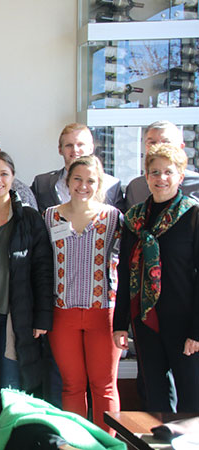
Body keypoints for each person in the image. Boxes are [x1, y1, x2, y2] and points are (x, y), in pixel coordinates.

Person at [0, 151, 54, 440]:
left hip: (15, 315)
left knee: (10, 386)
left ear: (13, 177)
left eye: (4, 174)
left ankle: (9, 442)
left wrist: (42, 317)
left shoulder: (29, 219)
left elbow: (43, 270)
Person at [114, 143, 199, 413]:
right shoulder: (134, 219)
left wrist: (197, 331)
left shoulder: (193, 215)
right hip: (145, 320)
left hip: (184, 322)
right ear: (146, 176)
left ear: (180, 176)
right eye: (154, 172)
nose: (160, 178)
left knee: (191, 398)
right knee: (154, 396)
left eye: (168, 172)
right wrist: (120, 324)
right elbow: (125, 272)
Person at [43, 155, 122, 434]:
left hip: (103, 313)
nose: (83, 185)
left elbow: (125, 266)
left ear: (99, 183)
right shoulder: (51, 216)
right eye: (78, 178)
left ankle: (107, 443)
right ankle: (77, 442)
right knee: (72, 385)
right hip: (62, 313)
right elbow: (42, 264)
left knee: (104, 385)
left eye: (91, 180)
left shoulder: (113, 217)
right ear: (68, 180)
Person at [32, 123, 125, 213]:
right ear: (60, 149)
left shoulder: (112, 186)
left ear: (91, 148)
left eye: (80, 144)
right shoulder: (41, 184)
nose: (75, 150)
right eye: (69, 145)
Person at [125, 121, 199, 209]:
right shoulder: (136, 187)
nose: (159, 147)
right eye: (152, 142)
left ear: (181, 147)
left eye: (166, 142)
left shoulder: (196, 184)